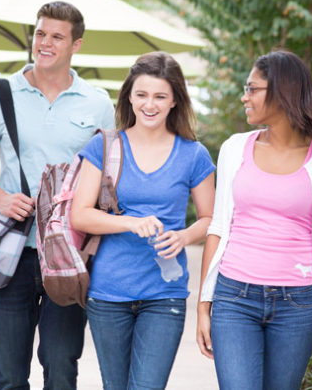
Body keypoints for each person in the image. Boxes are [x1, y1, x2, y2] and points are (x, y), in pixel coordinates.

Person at [195, 49, 312, 390]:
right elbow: (219, 227)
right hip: (234, 296)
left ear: (282, 92)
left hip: (298, 304)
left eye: (252, 89)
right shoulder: (234, 148)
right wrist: (203, 305)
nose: (244, 97)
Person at [0, 1, 115, 390]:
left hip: (69, 254)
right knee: (9, 374)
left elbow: (108, 177)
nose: (45, 42)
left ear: (77, 45)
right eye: (40, 33)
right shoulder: (0, 92)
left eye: (57, 36)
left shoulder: (98, 102)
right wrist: (0, 196)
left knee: (61, 367)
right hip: (13, 251)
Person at [71, 51, 215, 390]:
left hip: (164, 294)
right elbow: (81, 214)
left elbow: (211, 219)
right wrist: (131, 223)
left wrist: (184, 236)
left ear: (175, 101)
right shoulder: (103, 147)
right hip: (108, 293)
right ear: (129, 97)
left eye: (160, 96)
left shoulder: (193, 154)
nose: (150, 104)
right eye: (142, 95)